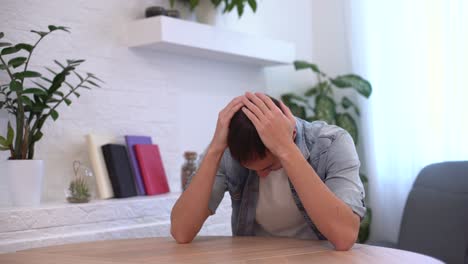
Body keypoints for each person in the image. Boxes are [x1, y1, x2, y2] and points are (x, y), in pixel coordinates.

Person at [170, 92, 366, 251]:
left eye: (268, 167)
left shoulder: (331, 143)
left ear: (293, 133)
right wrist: (214, 151)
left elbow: (344, 236)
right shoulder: (229, 150)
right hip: (256, 258)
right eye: (252, 169)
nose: (261, 175)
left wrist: (286, 149)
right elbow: (181, 231)